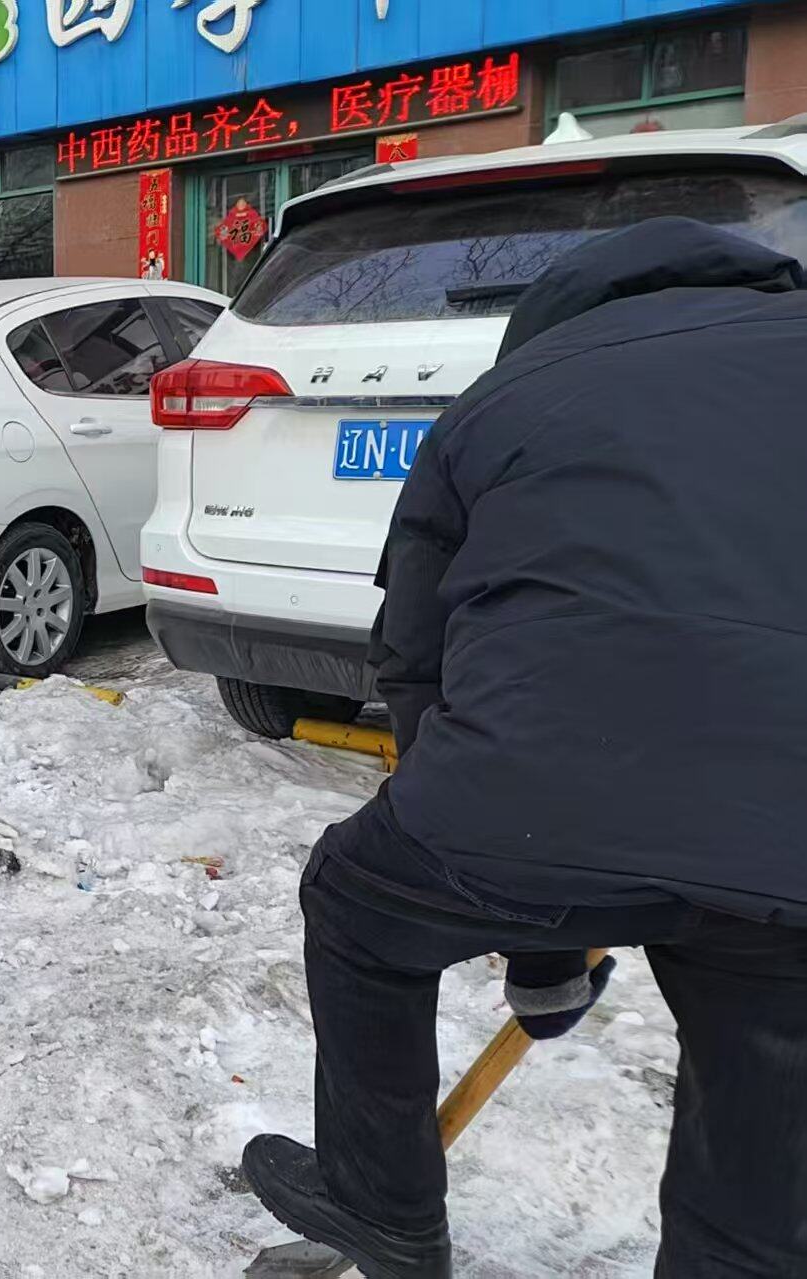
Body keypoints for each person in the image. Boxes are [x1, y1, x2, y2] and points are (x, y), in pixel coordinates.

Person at [242, 218, 807, 1278]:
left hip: (540, 795)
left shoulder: (505, 399)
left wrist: (537, 914)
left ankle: (383, 1208)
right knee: (764, 1118)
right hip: (794, 852)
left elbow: (418, 667)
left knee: (358, 903)